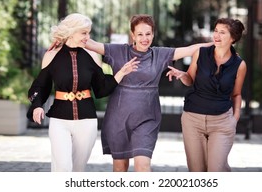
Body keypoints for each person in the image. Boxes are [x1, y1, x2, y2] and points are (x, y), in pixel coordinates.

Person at [85, 14, 212, 172]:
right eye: (140, 34)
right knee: (119, 168)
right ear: (133, 35)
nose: (145, 38)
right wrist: (70, 32)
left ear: (153, 34)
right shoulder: (117, 51)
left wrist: (218, 44)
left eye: (148, 34)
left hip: (147, 118)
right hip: (118, 118)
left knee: (143, 165)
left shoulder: (160, 54)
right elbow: (89, 43)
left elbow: (189, 50)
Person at [26, 13, 139, 172]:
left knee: (77, 169)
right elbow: (40, 86)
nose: (88, 37)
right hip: (59, 120)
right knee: (63, 167)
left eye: (89, 32)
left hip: (87, 121)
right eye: (84, 33)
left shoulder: (93, 55)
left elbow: (101, 88)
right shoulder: (51, 55)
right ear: (72, 32)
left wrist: (121, 73)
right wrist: (37, 105)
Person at [166, 17, 247, 172]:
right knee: (197, 171)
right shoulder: (200, 53)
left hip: (221, 122)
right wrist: (182, 75)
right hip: (193, 120)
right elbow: (190, 80)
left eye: (222, 32)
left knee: (215, 169)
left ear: (233, 38)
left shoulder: (239, 65)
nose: (216, 35)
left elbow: (236, 94)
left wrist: (234, 119)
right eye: (216, 31)